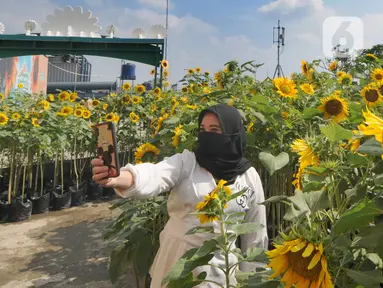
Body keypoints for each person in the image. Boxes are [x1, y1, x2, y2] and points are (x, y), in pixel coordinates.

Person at [91, 104, 268, 288]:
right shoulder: (187, 163)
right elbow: (155, 175)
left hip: (222, 271)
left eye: (214, 130)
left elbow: (256, 236)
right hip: (177, 264)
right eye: (202, 129)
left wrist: (254, 279)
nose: (206, 135)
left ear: (232, 134)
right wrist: (119, 177)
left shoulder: (249, 176)